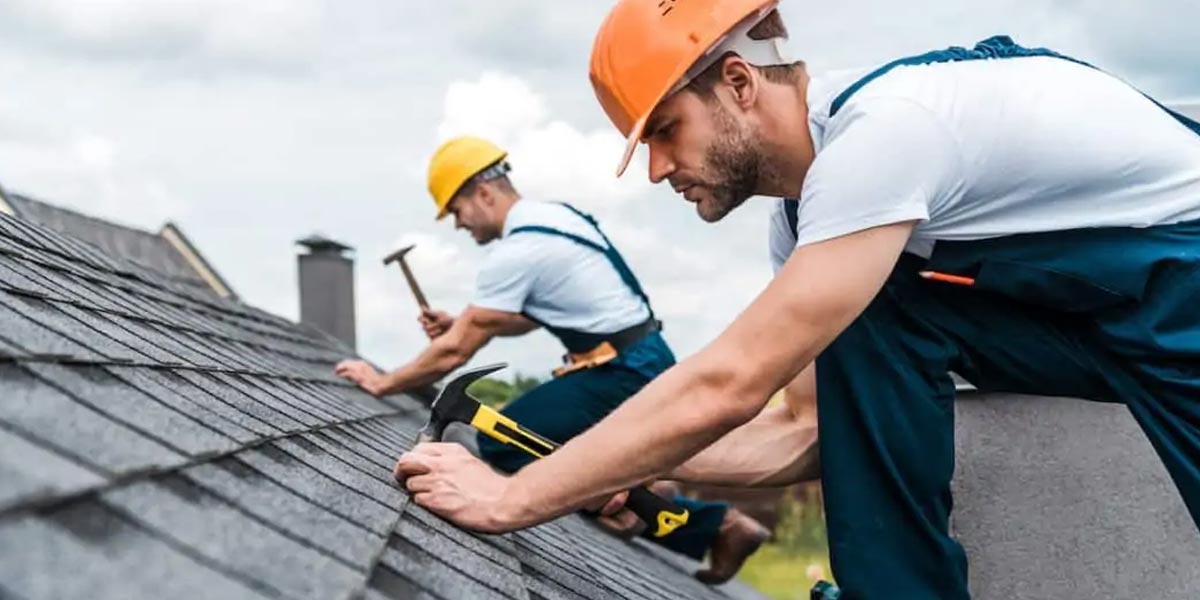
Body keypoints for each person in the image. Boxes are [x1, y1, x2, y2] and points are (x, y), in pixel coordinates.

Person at [393, 1, 1200, 598]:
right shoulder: (812, 228)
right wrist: (601, 471)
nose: (656, 169)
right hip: (1098, 318)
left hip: (1181, 291)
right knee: (874, 311)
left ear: (738, 82)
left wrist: (512, 496)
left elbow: (730, 382)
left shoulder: (885, 135)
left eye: (666, 130)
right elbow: (806, 431)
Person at [335, 135, 768, 583]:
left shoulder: (519, 249)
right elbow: (523, 319)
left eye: (457, 211)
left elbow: (455, 351)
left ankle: (673, 510)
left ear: (483, 193)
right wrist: (461, 322)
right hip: (636, 358)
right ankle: (650, 497)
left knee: (503, 442)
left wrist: (382, 381)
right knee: (553, 446)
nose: (459, 225)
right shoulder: (555, 220)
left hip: (619, 371)